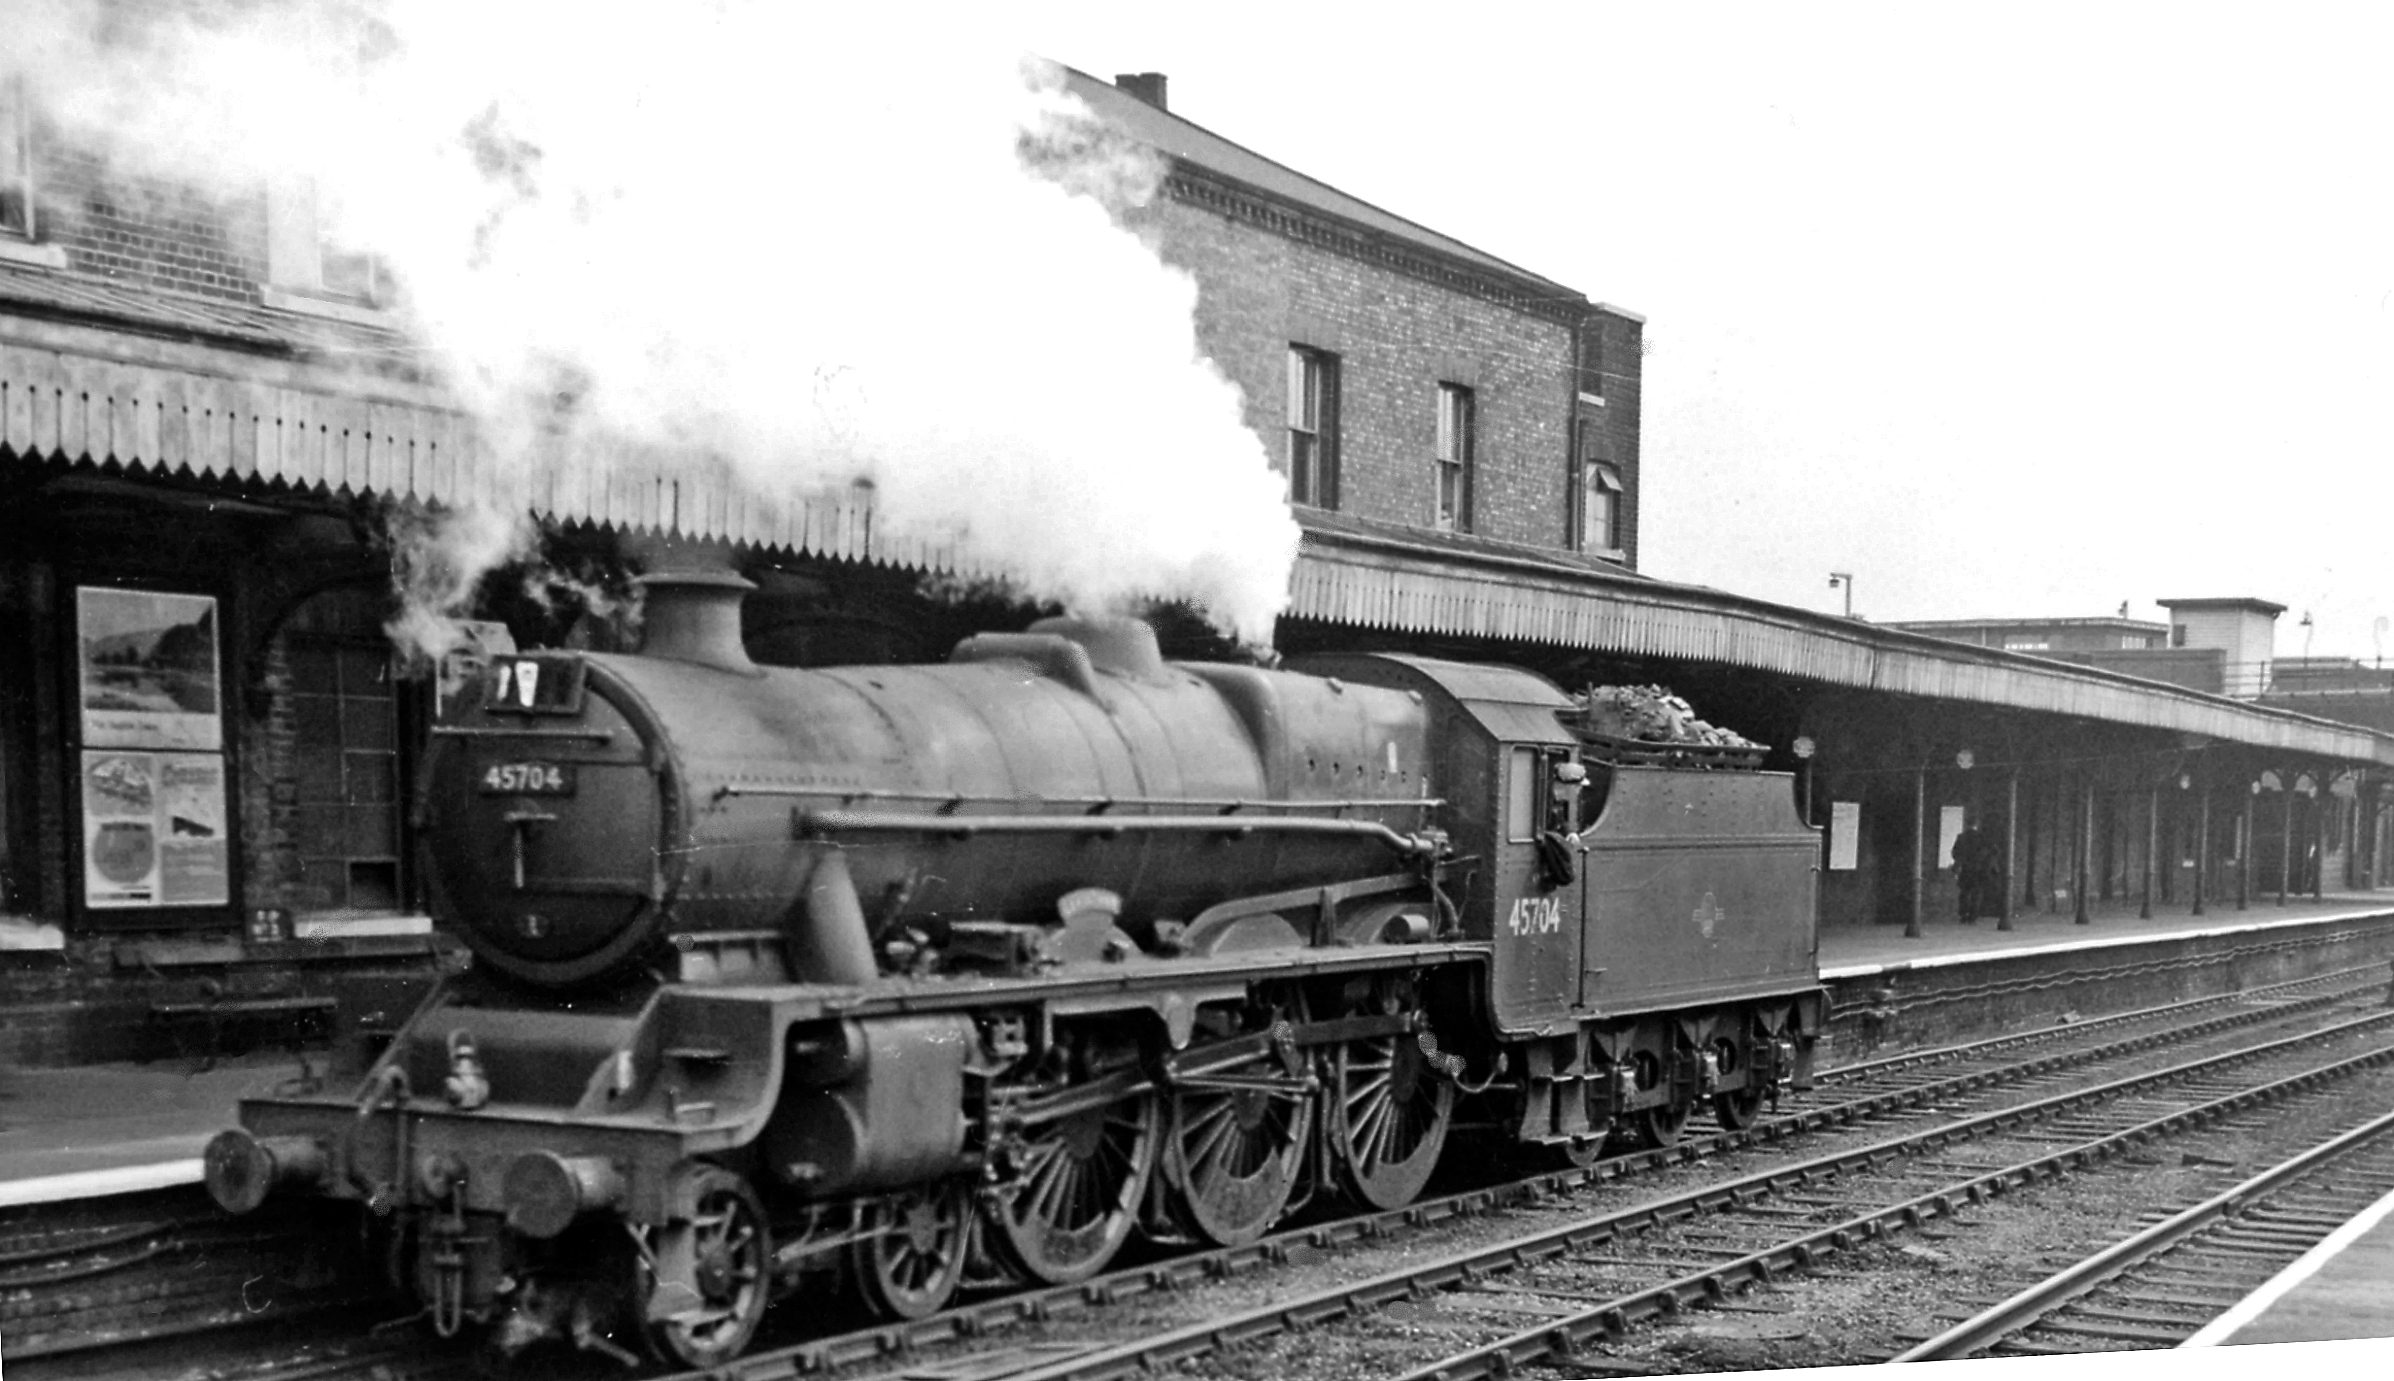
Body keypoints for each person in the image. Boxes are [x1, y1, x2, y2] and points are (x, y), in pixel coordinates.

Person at [1950, 823, 1986, 924]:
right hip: (1977, 869)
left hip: (1965, 868)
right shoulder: (1981, 837)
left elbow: (1955, 852)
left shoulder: (1961, 837)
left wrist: (1961, 861)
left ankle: (1963, 914)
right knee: (1976, 893)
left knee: (1964, 892)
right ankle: (1973, 916)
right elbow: (1984, 852)